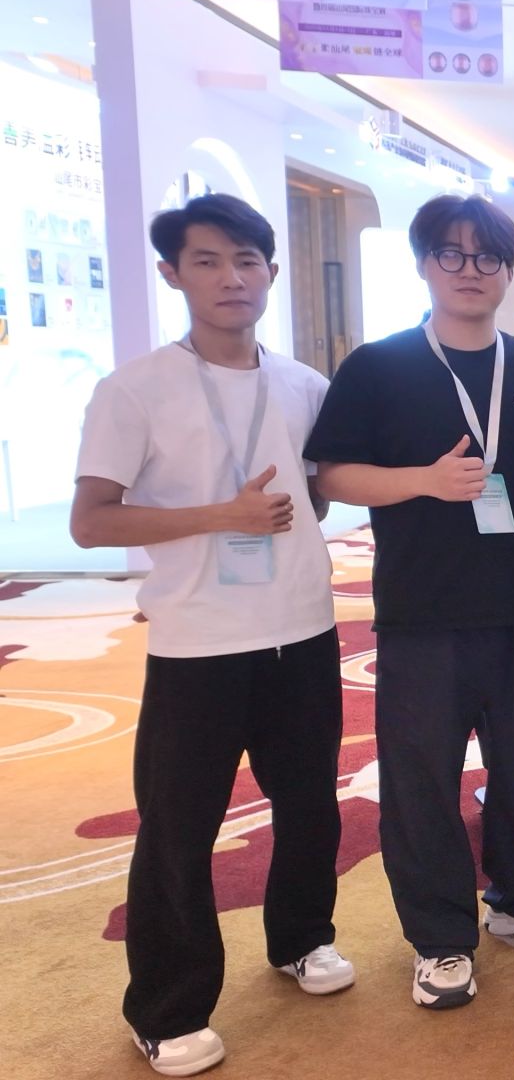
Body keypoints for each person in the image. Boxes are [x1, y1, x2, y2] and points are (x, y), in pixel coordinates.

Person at [72, 194, 348, 1076]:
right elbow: (91, 521)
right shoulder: (135, 389)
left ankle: (302, 938)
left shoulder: (304, 385)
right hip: (197, 644)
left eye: (247, 260)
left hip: (303, 628)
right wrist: (219, 517)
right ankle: (167, 1007)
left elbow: (317, 496)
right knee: (180, 827)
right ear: (173, 274)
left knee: (310, 804)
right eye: (207, 261)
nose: (232, 277)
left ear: (271, 271)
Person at [306, 195, 514, 1011]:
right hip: (423, 612)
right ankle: (440, 938)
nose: (470, 271)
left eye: (487, 257)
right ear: (424, 263)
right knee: (422, 781)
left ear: (509, 272)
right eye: (451, 255)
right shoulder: (379, 365)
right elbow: (333, 475)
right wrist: (424, 481)